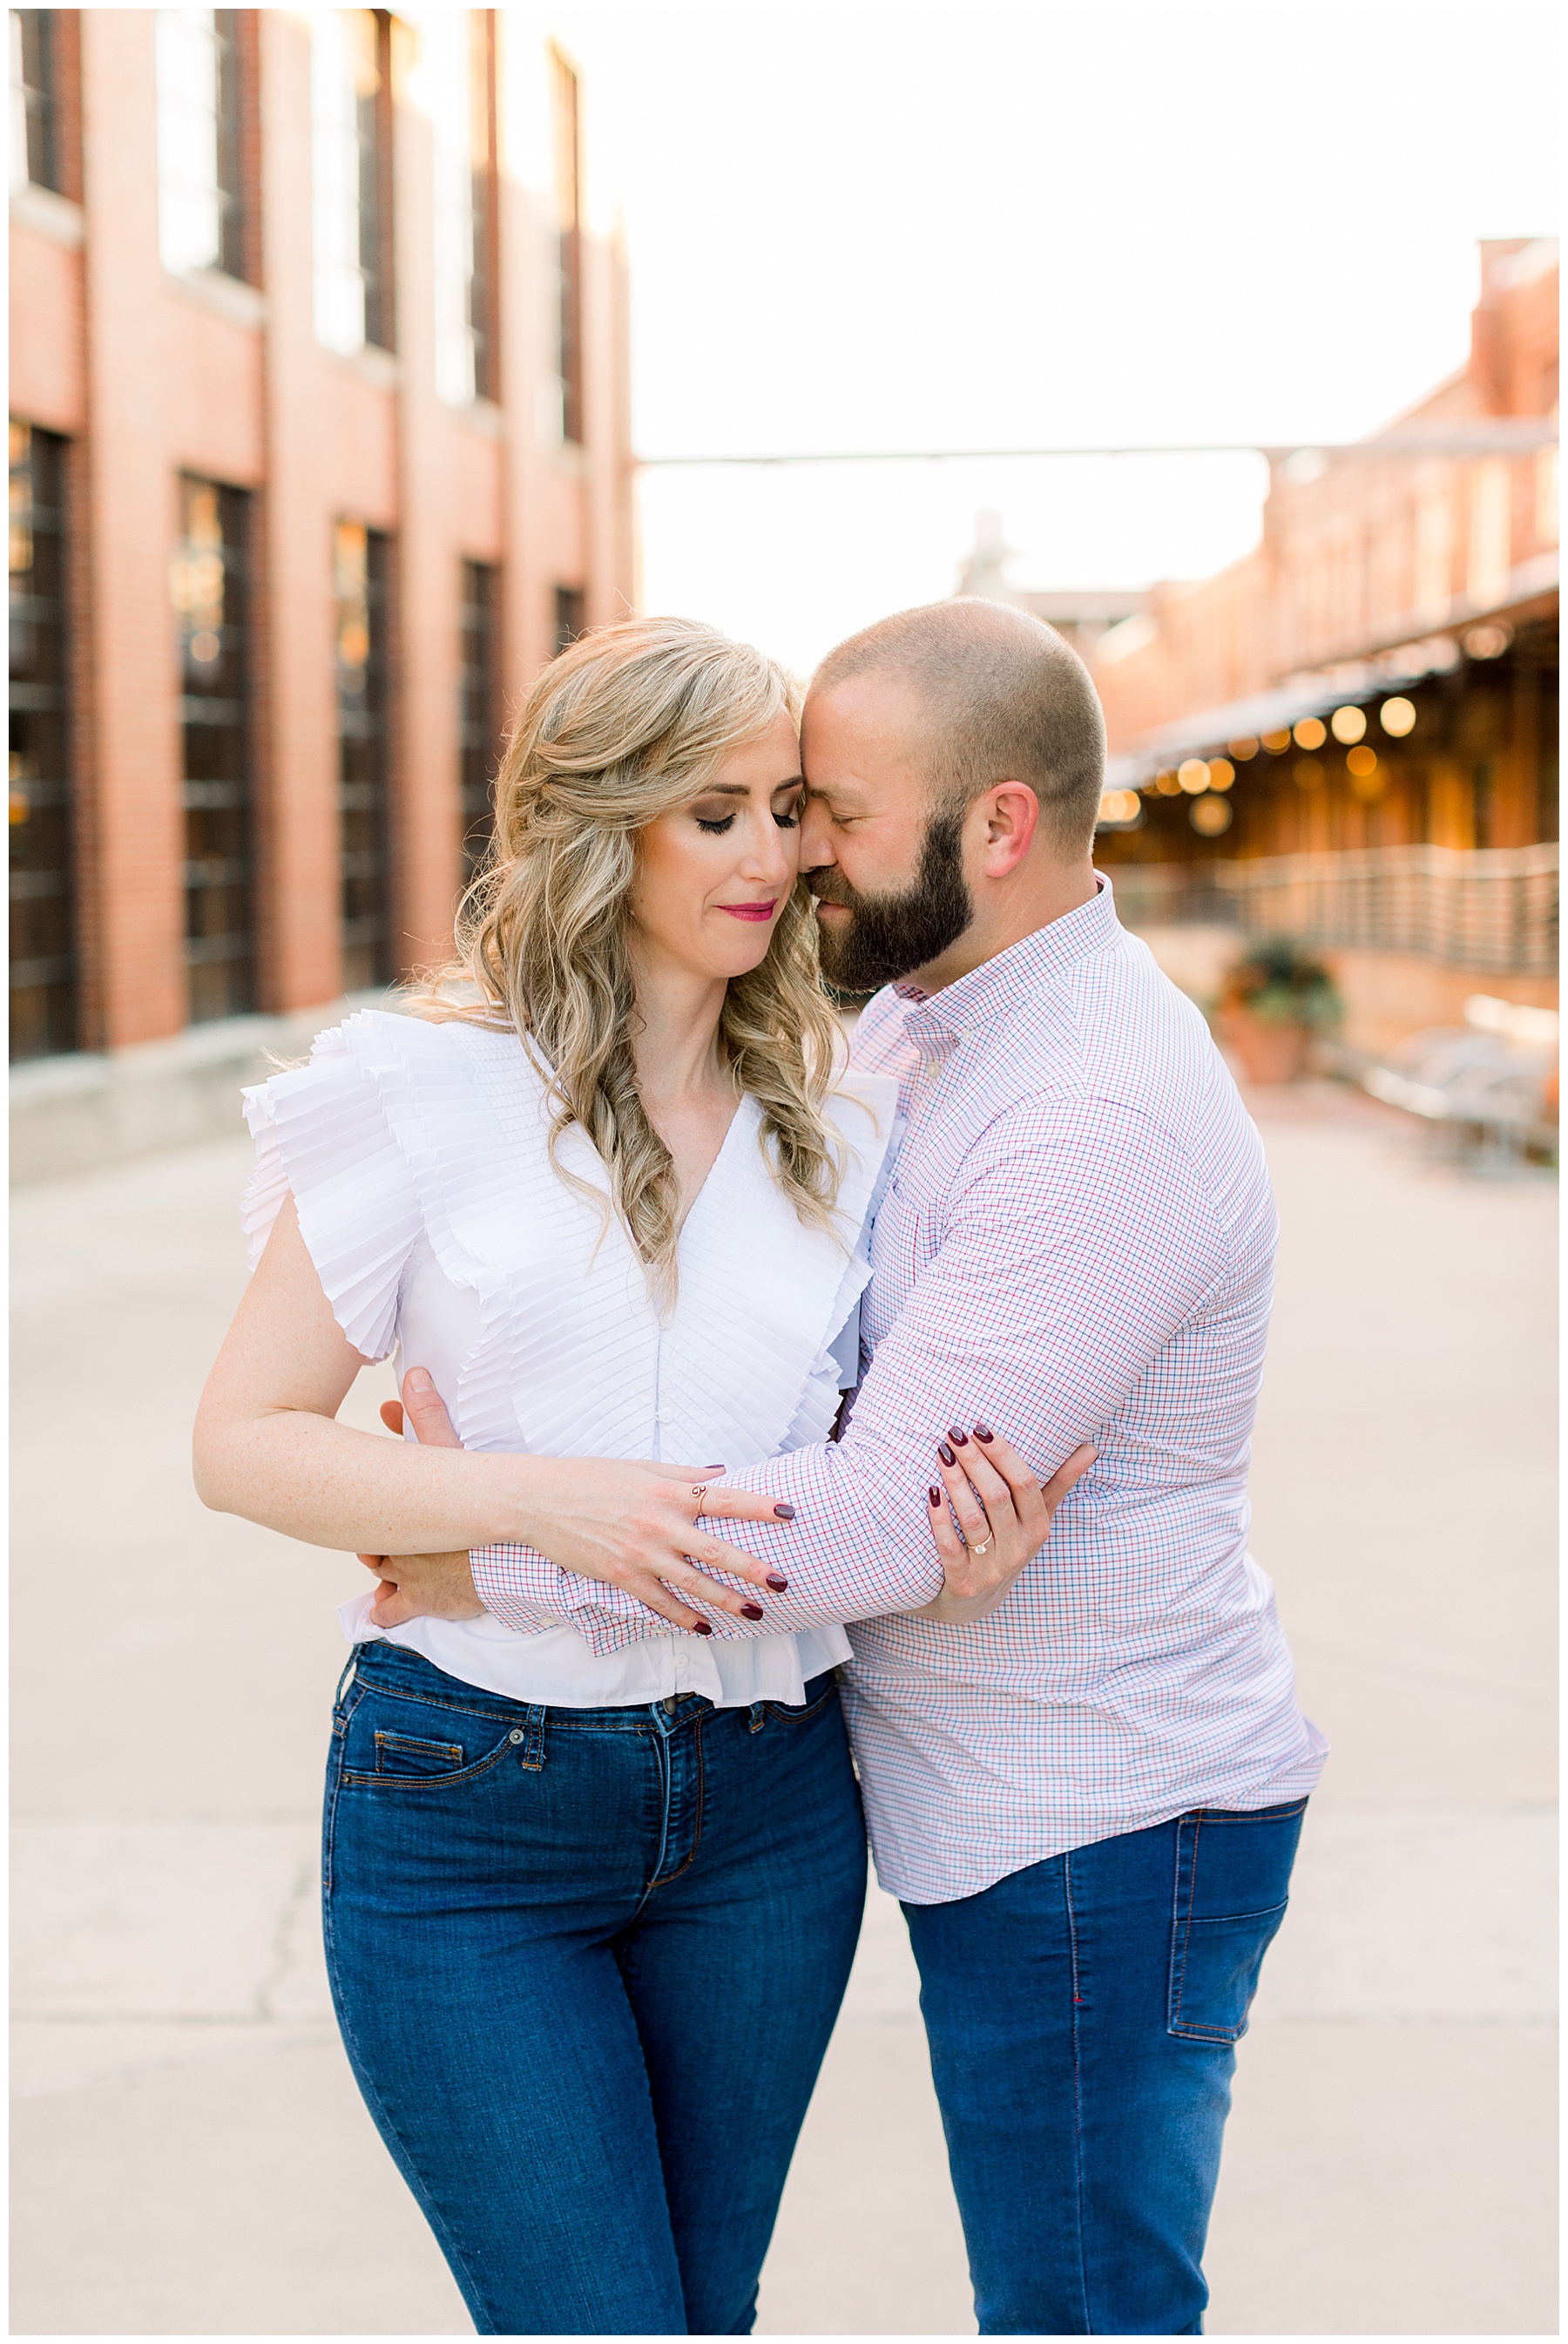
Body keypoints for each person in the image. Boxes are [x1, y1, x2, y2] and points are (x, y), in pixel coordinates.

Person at [374, 598, 1328, 2336]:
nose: (805, 852)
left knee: (1085, 2311)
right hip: (969, 1789)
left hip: (1099, 1809)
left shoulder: (1095, 1108)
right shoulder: (912, 1027)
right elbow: (827, 1402)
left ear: (1000, 829)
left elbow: (887, 1512)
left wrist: (495, 1547)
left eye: (837, 811)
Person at [193, 615, 1085, 2340]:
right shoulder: (420, 1094)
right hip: (472, 1811)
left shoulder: (847, 1124)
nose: (781, 855)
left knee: (702, 2312)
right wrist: (531, 1507)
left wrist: (955, 1539)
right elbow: (243, 1438)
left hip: (769, 1811)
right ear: (601, 829)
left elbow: (878, 1465)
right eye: (718, 813)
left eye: (790, 808)